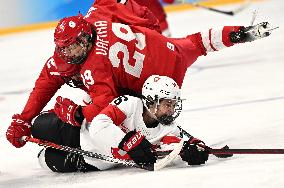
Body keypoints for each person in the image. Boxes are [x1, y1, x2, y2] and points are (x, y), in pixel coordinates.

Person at [5, 0, 275, 149]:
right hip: (168, 50)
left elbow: (103, 106)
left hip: (156, 87)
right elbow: (136, 10)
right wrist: (152, 32)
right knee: (197, 43)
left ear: (86, 38)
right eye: (65, 48)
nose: (69, 53)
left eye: (74, 46)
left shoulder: (94, 67)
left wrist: (76, 115)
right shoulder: (97, 14)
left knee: (127, 116)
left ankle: (169, 138)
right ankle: (242, 33)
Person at [31, 75, 209, 172]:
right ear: (151, 101)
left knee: (44, 160)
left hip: (92, 160)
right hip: (76, 131)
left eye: (173, 105)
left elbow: (179, 143)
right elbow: (98, 125)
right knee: (36, 126)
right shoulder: (130, 103)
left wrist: (191, 150)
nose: (171, 110)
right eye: (167, 104)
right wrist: (127, 141)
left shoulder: (168, 127)